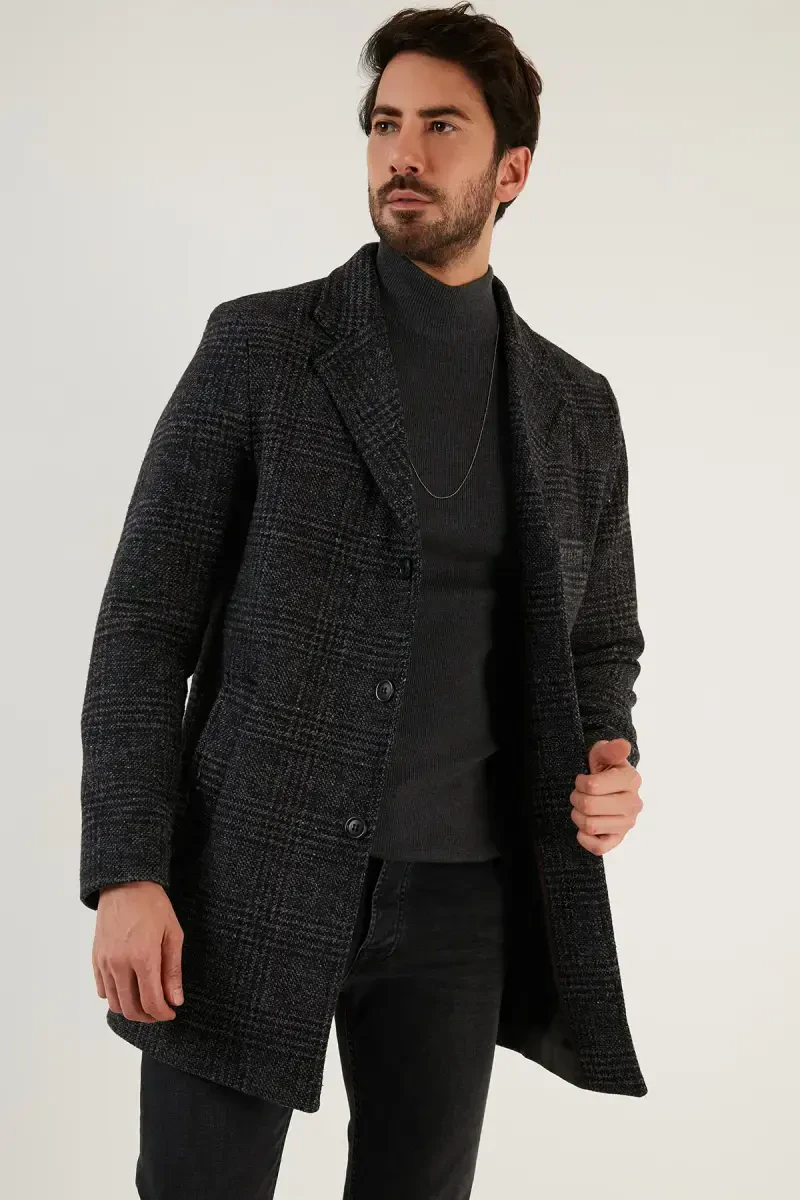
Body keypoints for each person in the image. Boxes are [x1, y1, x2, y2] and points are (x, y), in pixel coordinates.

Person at [80, 5, 647, 1198]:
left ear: (511, 171)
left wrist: (609, 753)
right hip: (247, 874)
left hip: (461, 899)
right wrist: (128, 870)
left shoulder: (572, 407)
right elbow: (143, 628)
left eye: (440, 126)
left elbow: (598, 639)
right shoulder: (261, 349)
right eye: (384, 124)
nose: (402, 153)